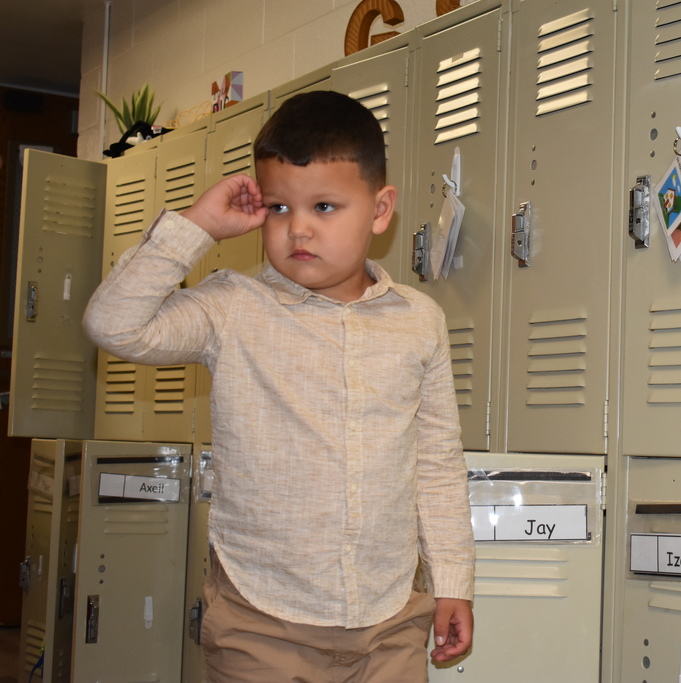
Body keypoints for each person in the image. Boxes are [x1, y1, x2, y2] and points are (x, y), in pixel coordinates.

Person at [83, 90, 475, 682]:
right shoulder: (232, 307)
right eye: (279, 209)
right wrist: (196, 226)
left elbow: (437, 462)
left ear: (380, 208)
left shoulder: (419, 320)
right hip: (261, 619)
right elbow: (113, 324)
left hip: (389, 618)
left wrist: (453, 582)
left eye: (324, 206)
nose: (300, 231)